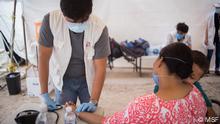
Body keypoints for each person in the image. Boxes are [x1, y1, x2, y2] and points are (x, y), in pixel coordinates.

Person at [67, 43, 207, 123]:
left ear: (159, 61)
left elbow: (108, 122)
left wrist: (76, 112)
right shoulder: (195, 93)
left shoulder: (144, 106)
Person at [38, 0, 110, 112]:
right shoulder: (50, 21)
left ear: (89, 13)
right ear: (63, 12)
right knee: (64, 115)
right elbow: (43, 58)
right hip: (63, 81)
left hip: (87, 81)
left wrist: (94, 101)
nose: (76, 24)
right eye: (71, 21)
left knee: (88, 114)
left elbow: (100, 68)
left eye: (82, 21)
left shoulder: (99, 29)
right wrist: (44, 93)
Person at [154, 50, 216, 118]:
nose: (185, 77)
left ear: (197, 80)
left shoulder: (195, 87)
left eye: (191, 77)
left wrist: (210, 116)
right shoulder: (162, 85)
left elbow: (212, 114)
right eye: (184, 71)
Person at [205, 2, 220, 75]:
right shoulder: (211, 16)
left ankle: (217, 69)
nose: (218, 9)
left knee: (218, 54)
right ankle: (206, 69)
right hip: (212, 37)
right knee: (209, 54)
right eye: (217, 8)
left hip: (219, 38)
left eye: (219, 8)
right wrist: (206, 38)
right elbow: (207, 27)